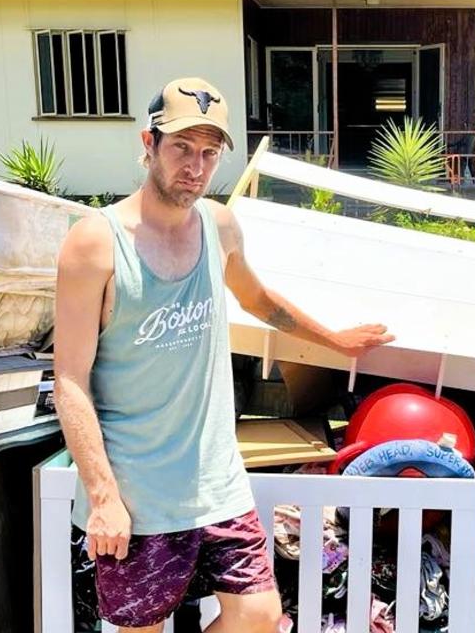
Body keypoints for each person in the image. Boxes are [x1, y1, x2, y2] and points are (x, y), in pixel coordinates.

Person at [54, 77, 394, 632]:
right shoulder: (95, 242)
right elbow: (69, 378)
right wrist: (103, 496)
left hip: (216, 481)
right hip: (138, 490)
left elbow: (260, 301)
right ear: (148, 143)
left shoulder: (220, 226)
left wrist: (338, 340)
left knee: (259, 615)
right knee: (142, 628)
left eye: (210, 152)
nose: (196, 165)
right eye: (182, 147)